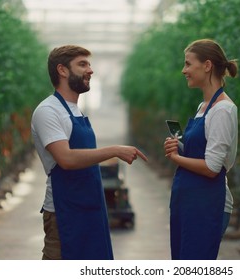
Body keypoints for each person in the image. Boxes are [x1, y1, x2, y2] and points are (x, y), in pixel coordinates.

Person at [31, 45, 148, 260]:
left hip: (90, 206)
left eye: (89, 64)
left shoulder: (76, 109)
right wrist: (113, 150)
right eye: (82, 64)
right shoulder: (48, 111)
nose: (90, 70)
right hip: (63, 212)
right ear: (62, 70)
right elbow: (65, 159)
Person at [163, 39, 238, 260]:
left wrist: (176, 157)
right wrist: (180, 147)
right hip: (189, 201)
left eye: (188, 64)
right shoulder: (203, 107)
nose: (183, 70)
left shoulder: (223, 109)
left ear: (207, 66)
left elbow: (212, 167)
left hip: (207, 204)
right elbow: (203, 151)